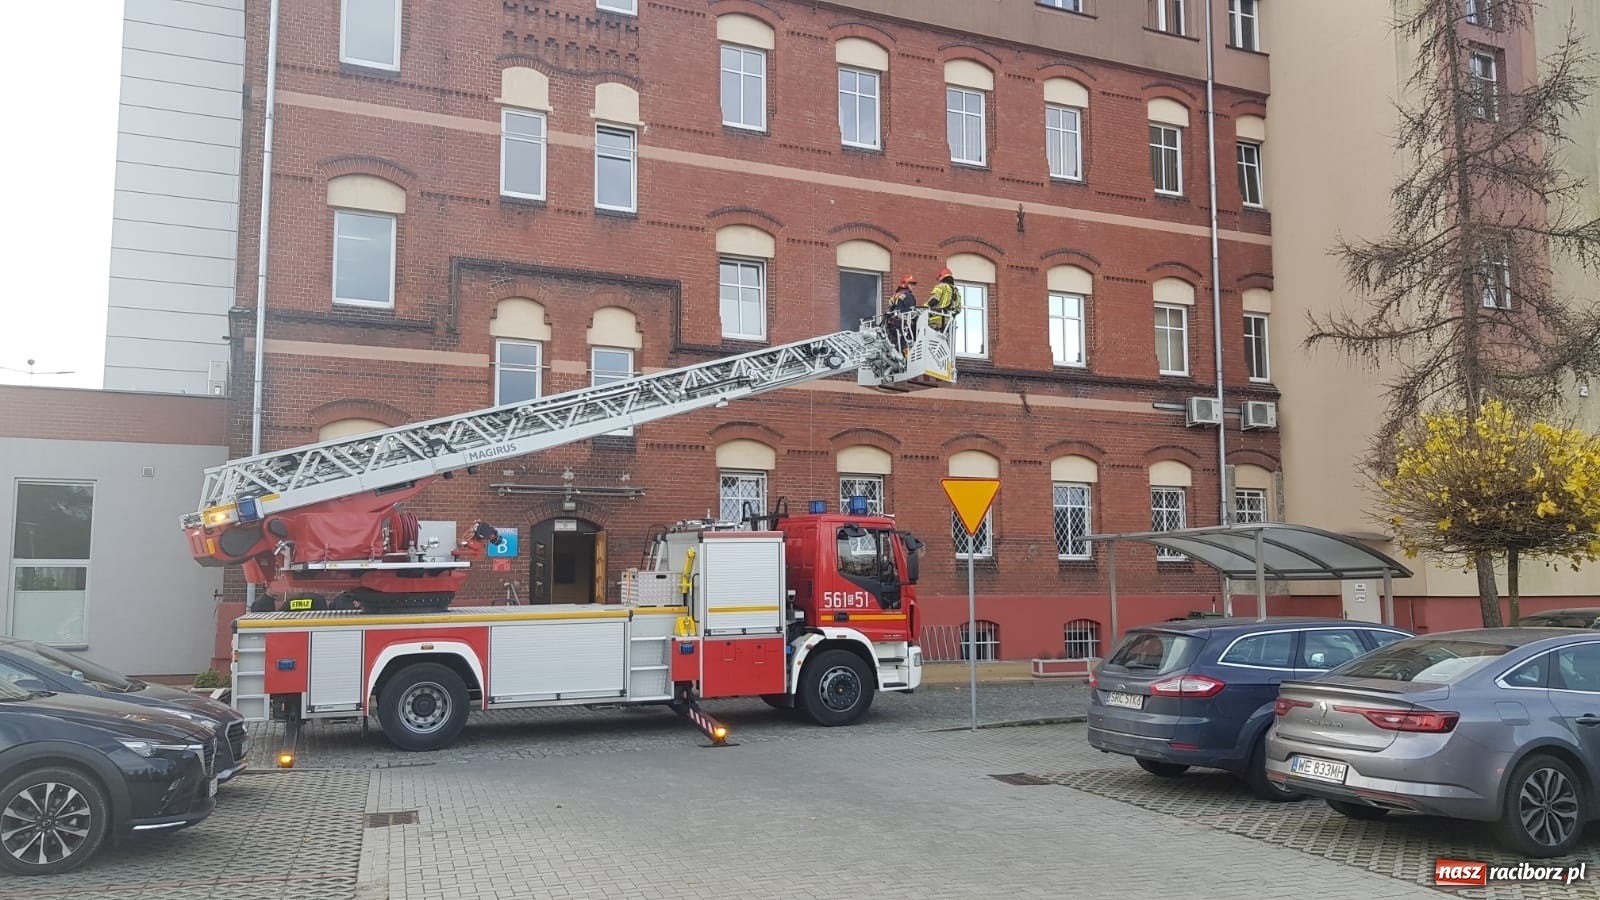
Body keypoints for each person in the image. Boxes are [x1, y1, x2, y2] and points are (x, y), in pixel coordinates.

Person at [888, 275, 918, 352]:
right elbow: (912, 311)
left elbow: (891, 308)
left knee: (896, 346)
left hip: (892, 325)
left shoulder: (895, 296)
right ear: (905, 284)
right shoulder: (908, 296)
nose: (912, 286)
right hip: (903, 325)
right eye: (911, 284)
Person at [926, 268, 961, 334]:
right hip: (948, 324)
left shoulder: (941, 286)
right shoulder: (957, 292)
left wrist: (924, 307)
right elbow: (958, 309)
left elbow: (935, 299)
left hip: (936, 321)